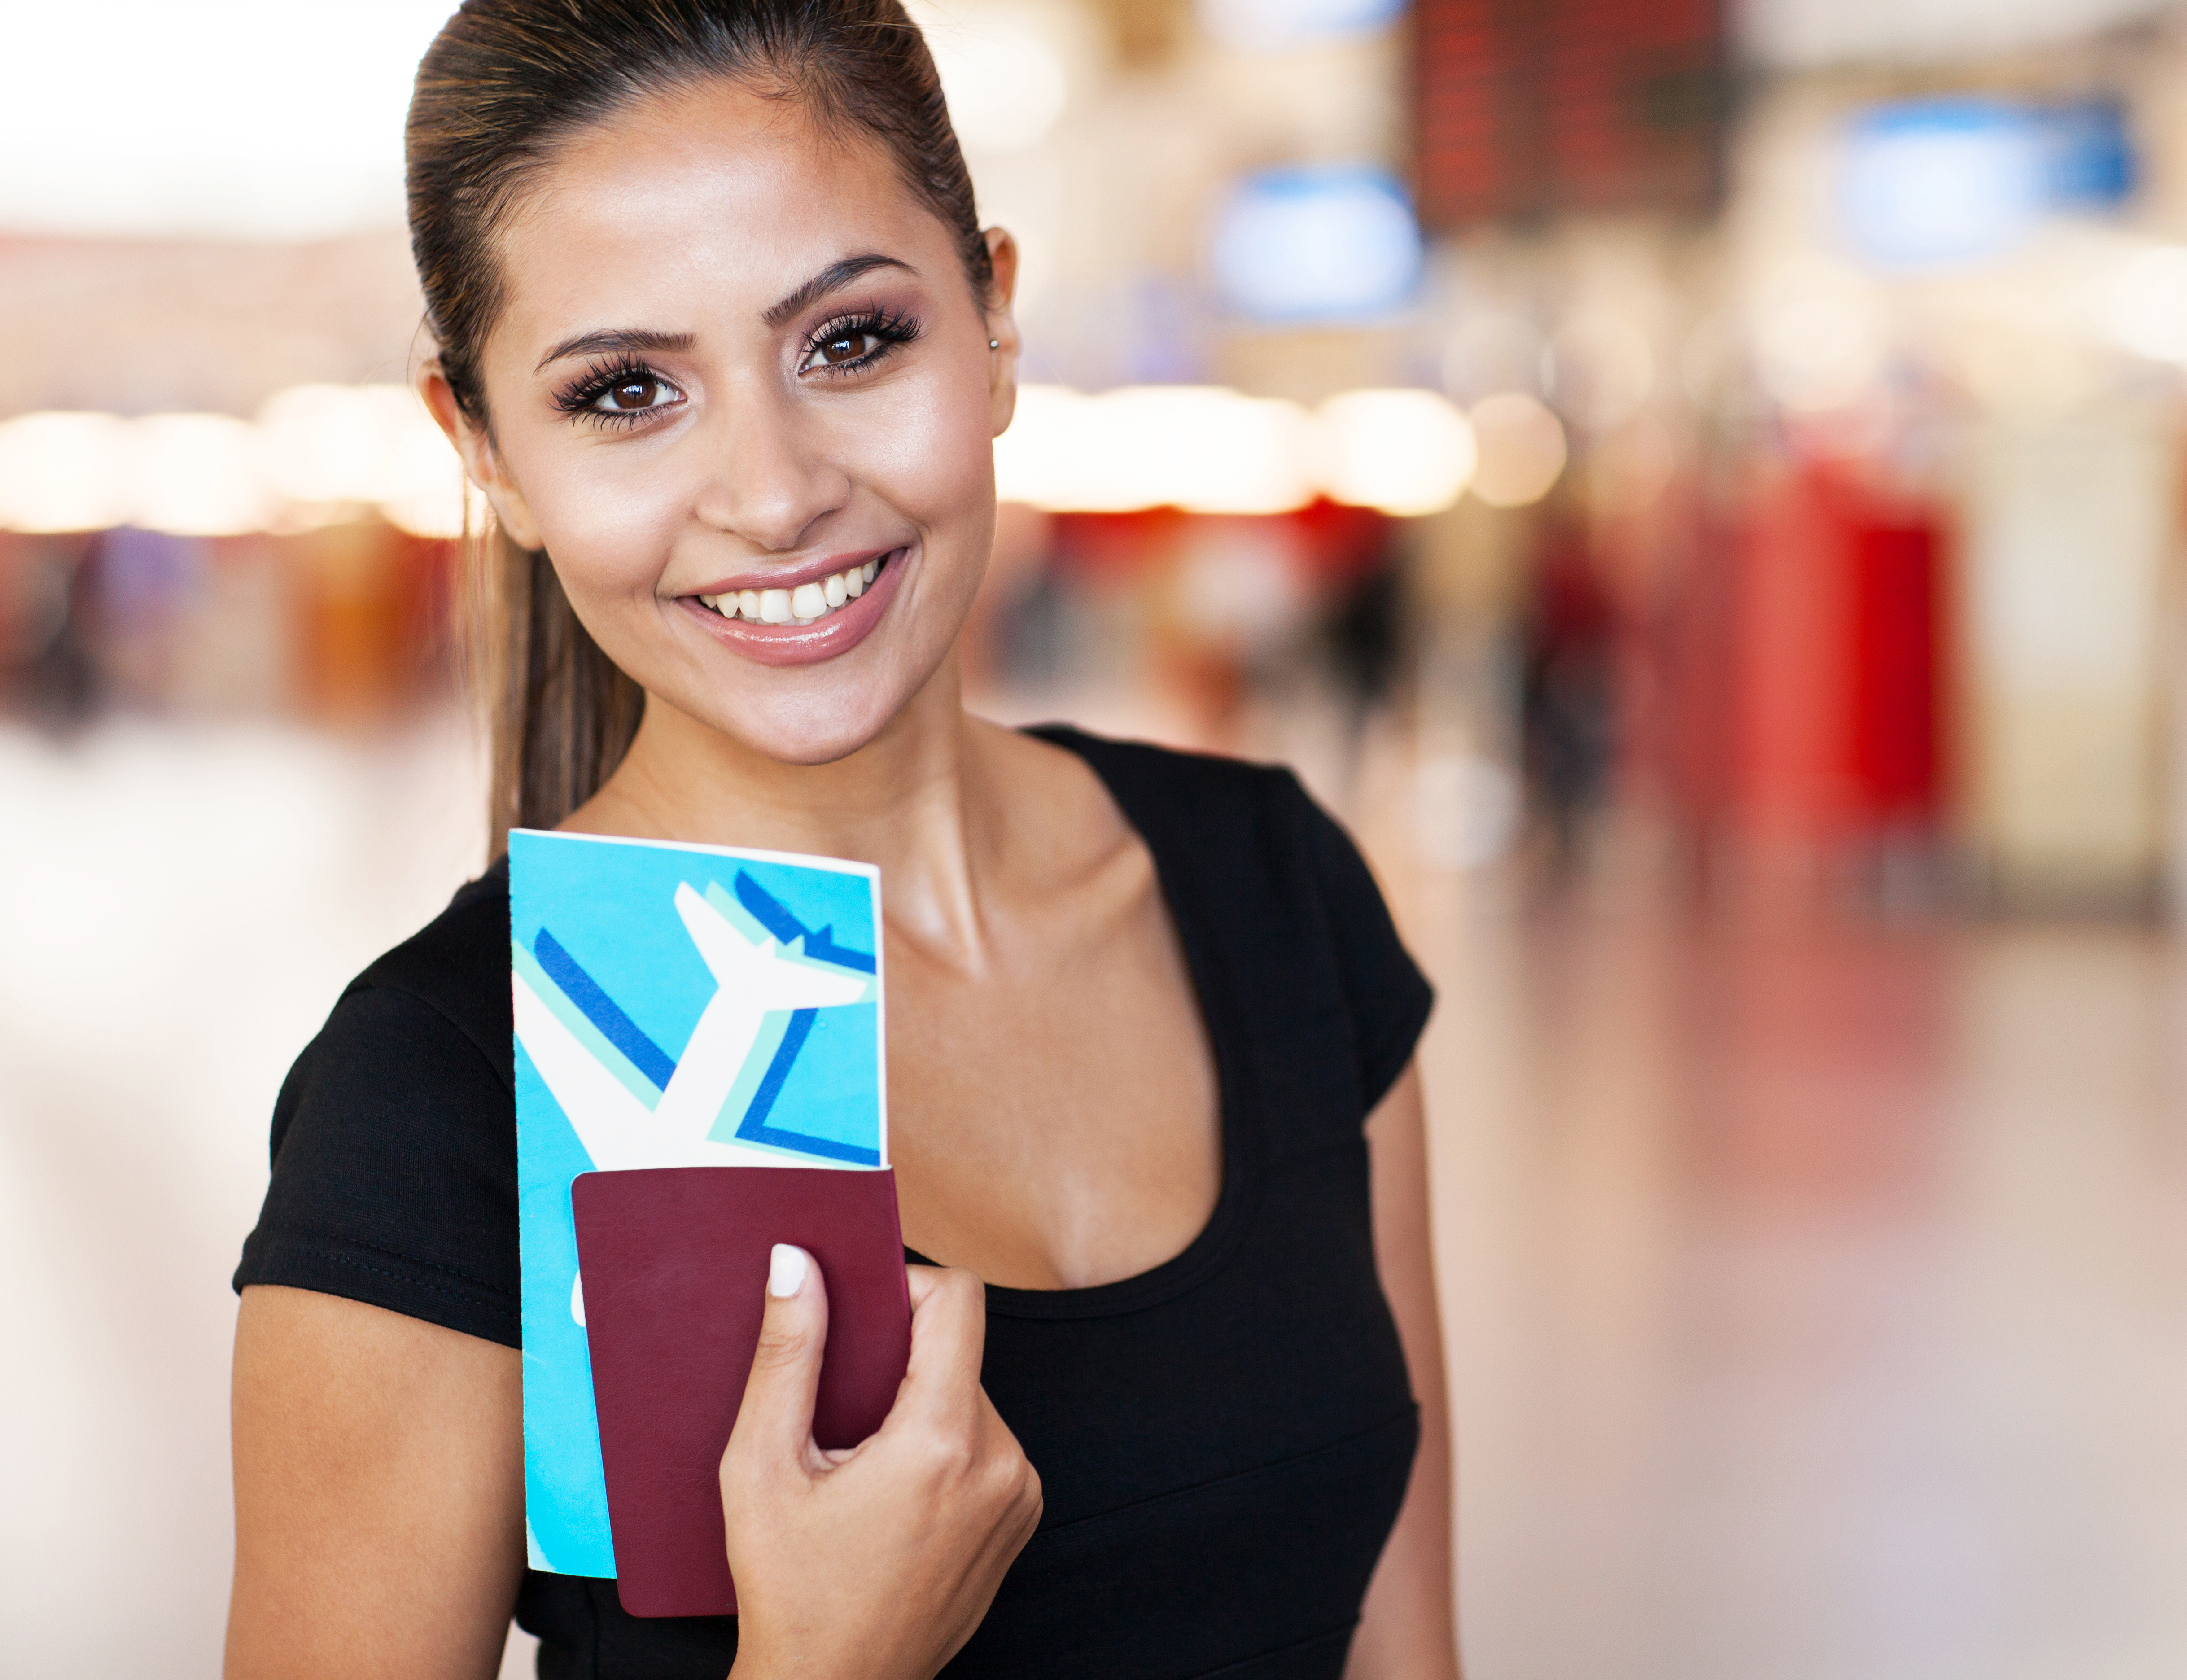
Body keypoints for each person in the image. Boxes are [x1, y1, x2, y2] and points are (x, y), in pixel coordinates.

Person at [222, 4, 1458, 1677]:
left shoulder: (1274, 890)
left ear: (996, 316)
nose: (775, 491)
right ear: (486, 453)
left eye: (852, 342)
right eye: (628, 391)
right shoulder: (438, 1096)